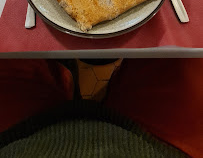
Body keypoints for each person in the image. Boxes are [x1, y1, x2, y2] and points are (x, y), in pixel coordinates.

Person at [0, 58, 202, 158]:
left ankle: (67, 78)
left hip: (18, 137)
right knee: (185, 57)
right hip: (157, 147)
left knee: (14, 56)